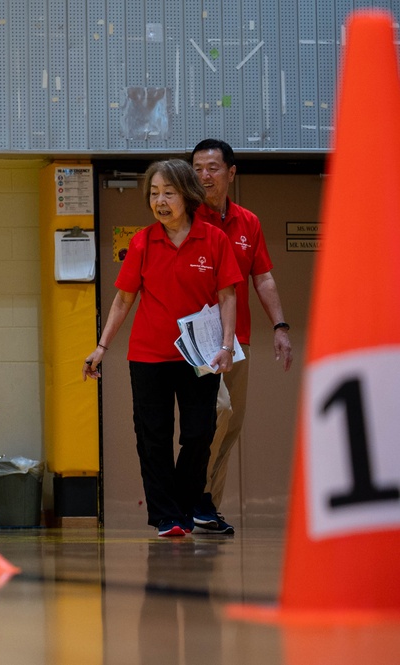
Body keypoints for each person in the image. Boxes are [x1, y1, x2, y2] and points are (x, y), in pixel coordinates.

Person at [82, 159, 242, 537]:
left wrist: (226, 345)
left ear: (187, 195)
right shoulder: (142, 241)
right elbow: (123, 300)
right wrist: (102, 347)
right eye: (154, 194)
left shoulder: (214, 239)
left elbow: (228, 296)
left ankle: (184, 504)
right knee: (152, 437)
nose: (160, 201)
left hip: (199, 356)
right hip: (148, 356)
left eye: (169, 193)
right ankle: (167, 516)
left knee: (199, 433)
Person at [190, 139, 293, 534]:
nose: (204, 176)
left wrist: (280, 326)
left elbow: (262, 278)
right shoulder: (186, 218)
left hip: (238, 340)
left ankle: (206, 507)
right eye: (197, 168)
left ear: (231, 173)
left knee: (231, 425)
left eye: (213, 168)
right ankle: (194, 497)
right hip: (197, 340)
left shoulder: (248, 222)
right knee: (218, 411)